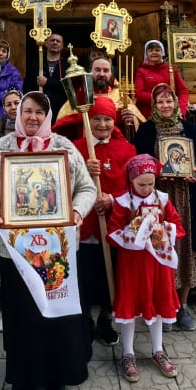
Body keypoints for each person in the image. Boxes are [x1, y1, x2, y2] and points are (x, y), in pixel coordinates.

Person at [0, 91, 97, 390]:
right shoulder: (1, 148)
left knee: (56, 314)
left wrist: (78, 211)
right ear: (18, 113)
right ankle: (23, 378)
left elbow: (86, 187)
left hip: (58, 250)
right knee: (22, 315)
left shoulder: (63, 147)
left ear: (47, 115)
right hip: (14, 251)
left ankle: (57, 375)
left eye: (40, 112)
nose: (32, 117)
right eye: (27, 111)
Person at [134, 83, 196, 331]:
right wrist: (155, 172)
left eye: (169, 101)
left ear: (176, 103)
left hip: (188, 197)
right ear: (154, 106)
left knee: (186, 246)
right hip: (158, 199)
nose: (165, 106)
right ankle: (162, 305)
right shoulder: (146, 131)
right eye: (160, 102)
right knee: (159, 248)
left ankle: (183, 305)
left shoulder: (190, 128)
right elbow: (138, 162)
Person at [107, 154, 184, 383]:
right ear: (131, 180)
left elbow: (177, 225)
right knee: (129, 304)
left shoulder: (161, 199)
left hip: (158, 263)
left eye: (150, 183)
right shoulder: (123, 202)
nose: (146, 188)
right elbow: (112, 232)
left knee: (158, 301)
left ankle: (158, 349)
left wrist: (164, 230)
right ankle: (128, 353)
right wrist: (134, 231)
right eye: (141, 184)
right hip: (132, 264)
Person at [71, 96, 136, 347]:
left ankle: (106, 319)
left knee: (111, 275)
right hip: (85, 224)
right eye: (96, 118)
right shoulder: (76, 147)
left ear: (114, 121)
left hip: (114, 224)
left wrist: (112, 198)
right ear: (88, 121)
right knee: (84, 274)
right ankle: (84, 318)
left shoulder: (126, 149)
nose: (102, 124)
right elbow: (62, 183)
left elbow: (135, 188)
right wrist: (81, 169)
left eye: (107, 119)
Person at [56, 56, 143, 134]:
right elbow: (63, 128)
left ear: (111, 74)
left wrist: (129, 122)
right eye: (97, 70)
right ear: (90, 72)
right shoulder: (79, 96)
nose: (101, 74)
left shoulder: (121, 96)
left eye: (106, 70)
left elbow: (135, 128)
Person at [134, 40, 190, 119]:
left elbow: (183, 91)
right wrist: (160, 98)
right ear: (146, 54)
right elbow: (138, 94)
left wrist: (180, 108)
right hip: (150, 114)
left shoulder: (172, 69)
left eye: (157, 50)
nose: (154, 52)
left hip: (172, 112)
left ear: (162, 52)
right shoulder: (142, 71)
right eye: (151, 50)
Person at [24, 32, 68, 116]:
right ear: (46, 44)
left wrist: (48, 82)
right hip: (38, 108)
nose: (55, 42)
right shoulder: (36, 64)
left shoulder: (67, 65)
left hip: (61, 110)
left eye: (58, 41)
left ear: (62, 46)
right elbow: (27, 86)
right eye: (52, 40)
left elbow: (69, 86)